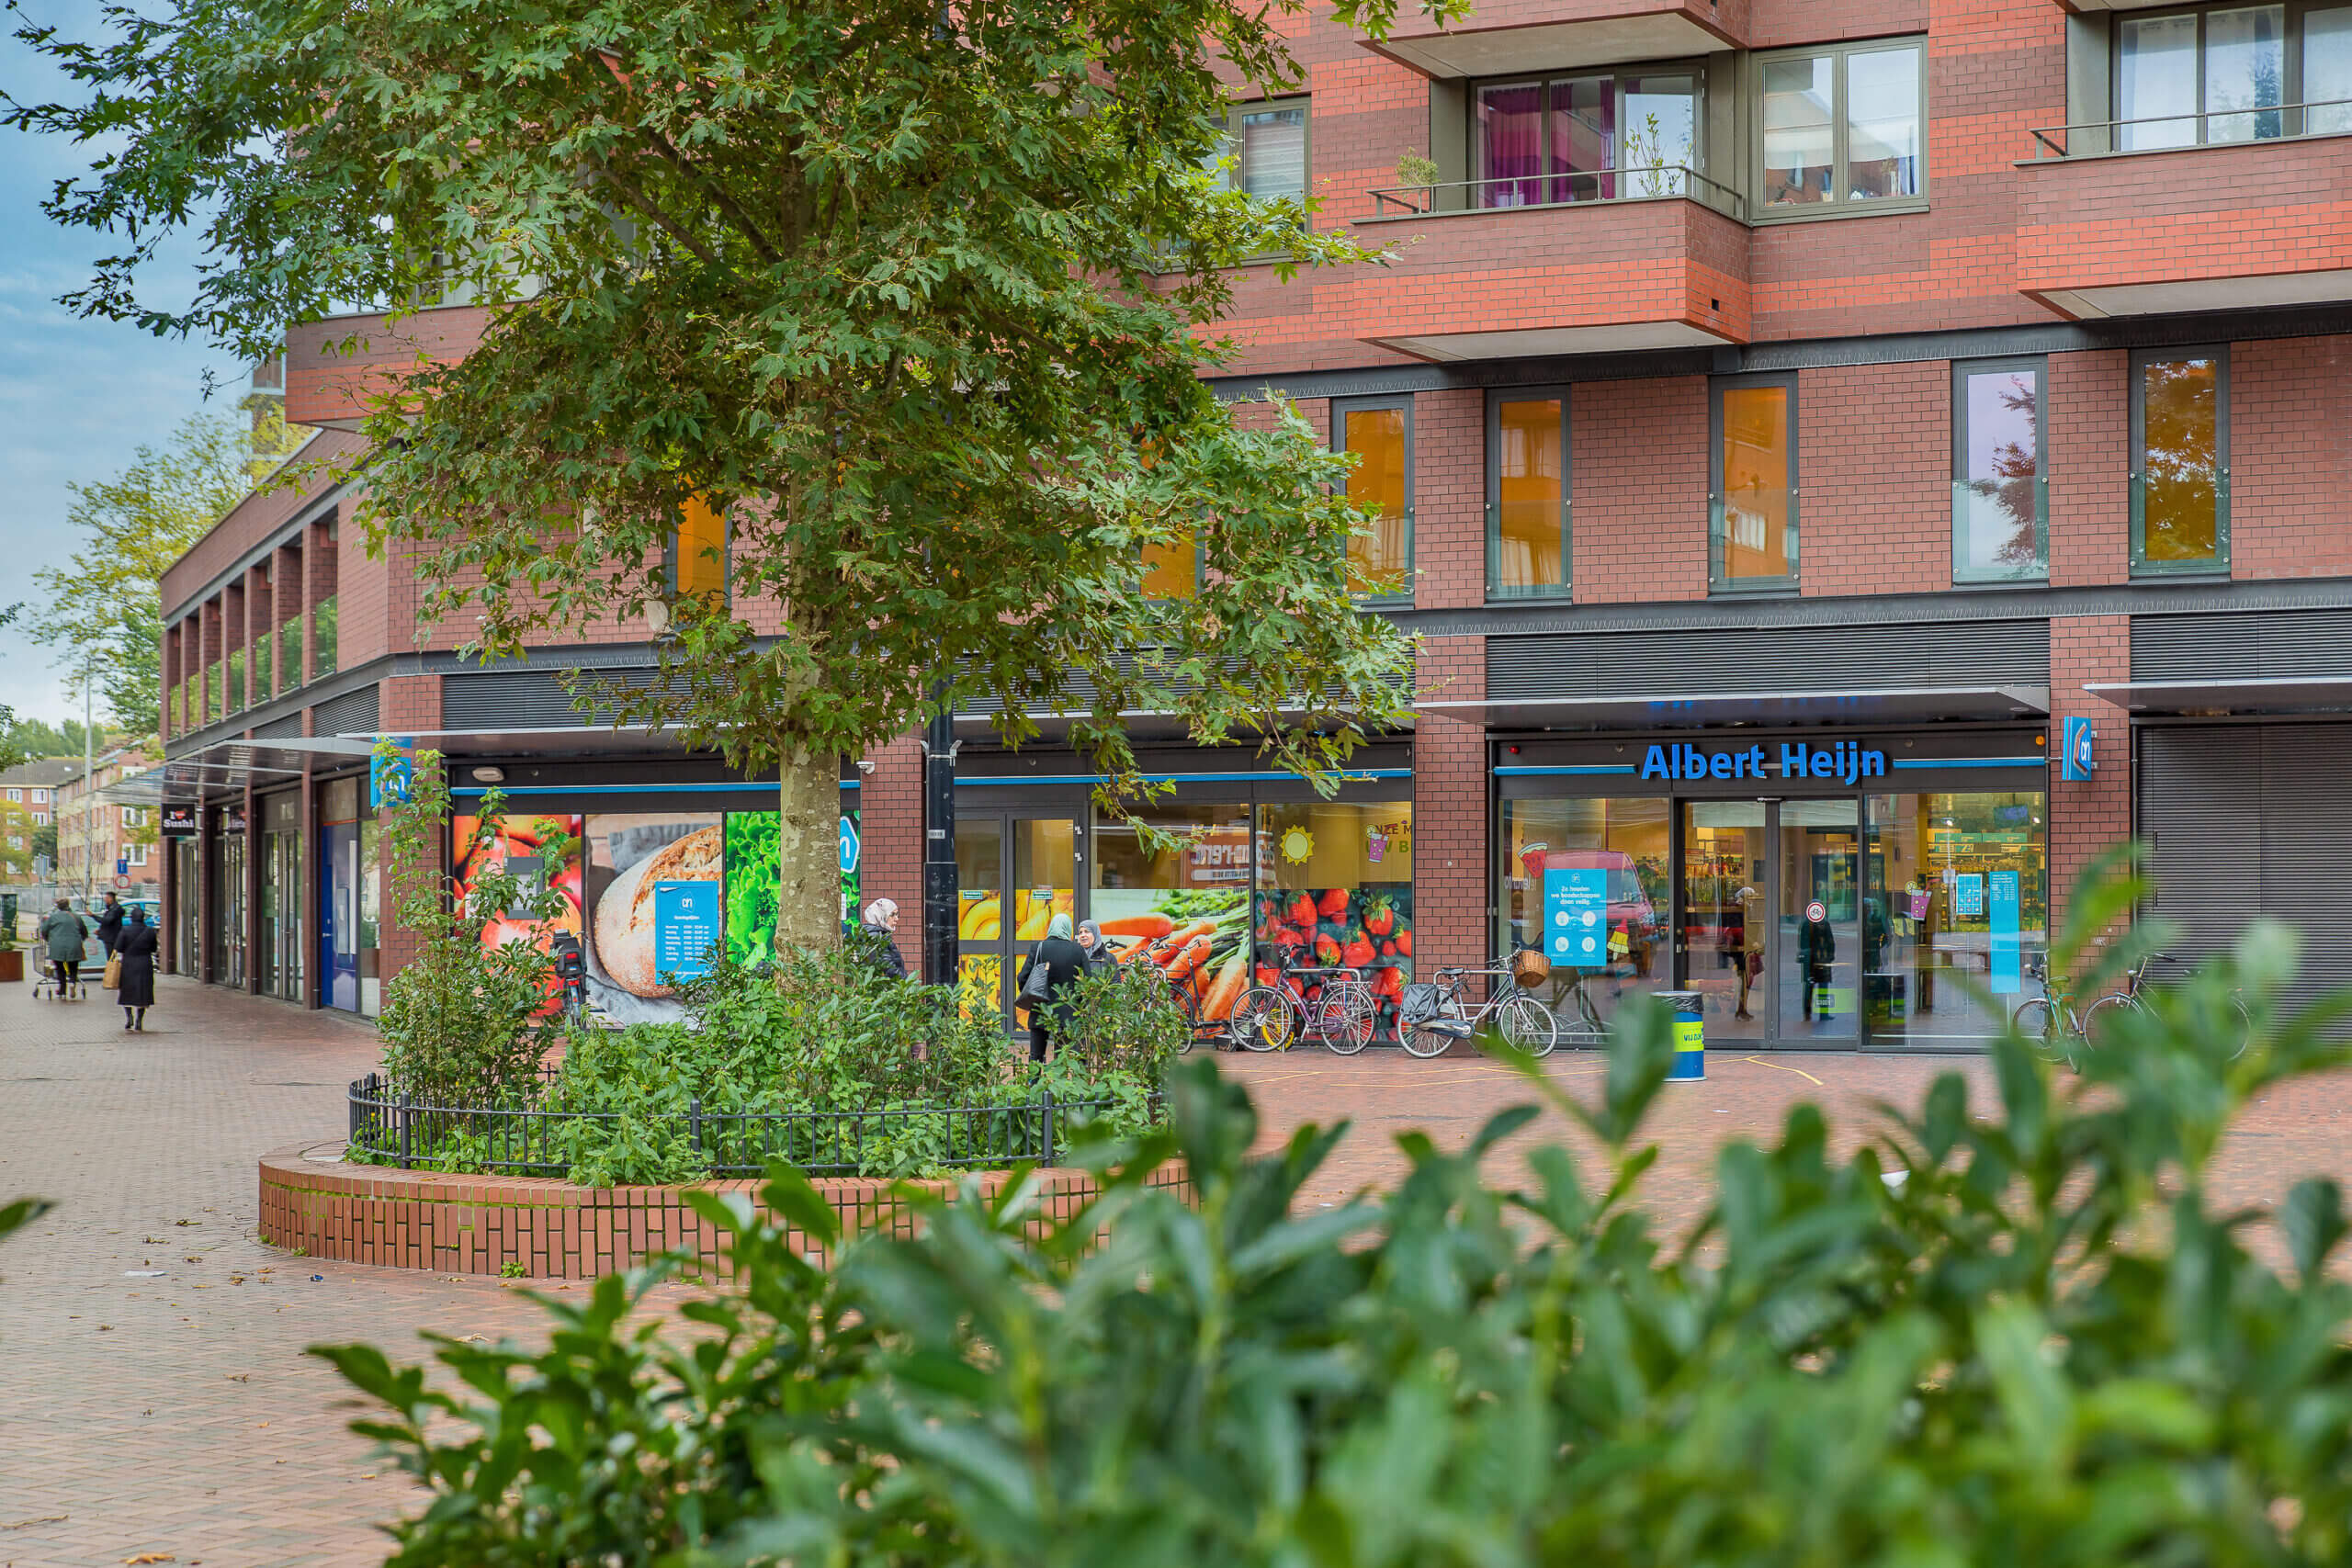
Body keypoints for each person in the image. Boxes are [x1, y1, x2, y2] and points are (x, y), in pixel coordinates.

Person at [1014, 912, 1089, 1063]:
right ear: (1068, 928)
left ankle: (1034, 1084)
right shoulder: (1077, 950)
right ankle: (1061, 1084)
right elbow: (1088, 980)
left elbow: (1022, 977)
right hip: (1068, 1011)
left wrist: (1032, 994)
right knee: (1063, 1055)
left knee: (1036, 1056)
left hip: (1040, 1009)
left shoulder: (1038, 947)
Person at [115, 906, 158, 1032]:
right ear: (143, 917)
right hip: (145, 963)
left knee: (127, 991)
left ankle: (129, 1017)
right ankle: (140, 1019)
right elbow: (154, 948)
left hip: (128, 963)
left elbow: (118, 947)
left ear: (132, 917)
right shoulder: (150, 931)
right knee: (143, 992)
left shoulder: (125, 930)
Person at [38, 899, 86, 998]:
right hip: (74, 944)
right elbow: (84, 931)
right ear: (68, 905)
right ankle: (72, 983)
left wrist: (49, 939)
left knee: (60, 968)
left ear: (58, 907)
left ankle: (62, 990)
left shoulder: (53, 917)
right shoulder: (76, 916)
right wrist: (80, 940)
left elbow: (44, 930)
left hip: (57, 945)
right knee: (73, 967)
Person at [1800, 905, 1838, 1023]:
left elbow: (1802, 944)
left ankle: (1808, 1013)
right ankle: (1823, 1013)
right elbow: (1831, 942)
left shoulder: (1806, 924)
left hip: (1812, 960)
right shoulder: (1823, 923)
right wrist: (1830, 956)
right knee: (1822, 987)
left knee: (1810, 987)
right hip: (1822, 959)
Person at [861, 898, 907, 979]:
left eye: (897, 914)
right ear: (881, 916)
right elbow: (888, 969)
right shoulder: (875, 937)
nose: (896, 919)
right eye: (892, 915)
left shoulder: (878, 934)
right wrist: (905, 983)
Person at [94, 892, 124, 958]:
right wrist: (100, 931)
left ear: (110, 899)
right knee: (112, 957)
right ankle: (112, 967)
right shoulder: (112, 909)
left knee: (111, 958)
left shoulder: (114, 909)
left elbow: (107, 921)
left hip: (111, 938)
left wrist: (93, 916)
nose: (105, 900)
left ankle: (112, 968)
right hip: (111, 937)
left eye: (106, 898)